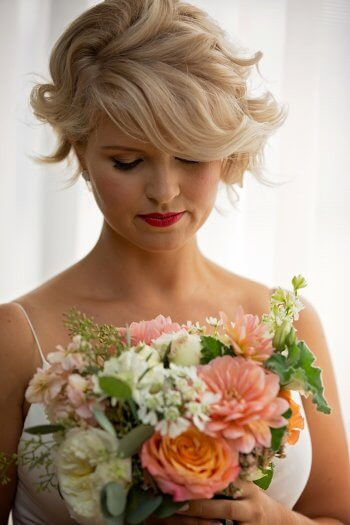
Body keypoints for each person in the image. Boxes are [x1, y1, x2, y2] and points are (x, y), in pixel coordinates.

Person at [0, 1, 348, 524]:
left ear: (228, 156)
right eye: (127, 162)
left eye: (190, 156)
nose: (164, 192)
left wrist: (270, 520)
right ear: (80, 152)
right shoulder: (17, 334)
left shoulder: (288, 321)